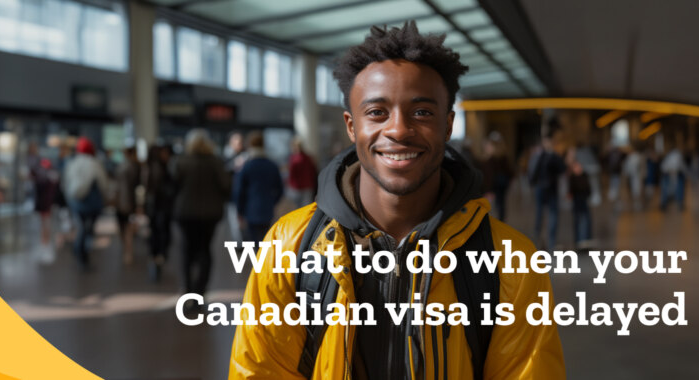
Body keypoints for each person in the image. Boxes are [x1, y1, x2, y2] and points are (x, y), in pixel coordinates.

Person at [229, 23, 564, 380]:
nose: (399, 130)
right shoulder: (289, 246)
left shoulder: (511, 262)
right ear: (351, 126)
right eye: (377, 112)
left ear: (448, 126)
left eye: (422, 112)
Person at [172, 129, 230, 305]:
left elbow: (173, 185)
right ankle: (199, 291)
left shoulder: (182, 161)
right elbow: (226, 186)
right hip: (210, 214)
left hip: (186, 213)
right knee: (204, 251)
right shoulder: (216, 162)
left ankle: (188, 291)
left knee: (186, 252)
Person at [63, 137, 109, 271]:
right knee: (87, 229)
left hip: (75, 202)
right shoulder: (94, 163)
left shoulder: (71, 163)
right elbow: (103, 183)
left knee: (81, 228)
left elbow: (65, 183)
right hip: (91, 203)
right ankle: (82, 252)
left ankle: (80, 249)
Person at [233, 131, 284, 242]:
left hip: (250, 209)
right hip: (267, 208)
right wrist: (272, 201)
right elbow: (280, 189)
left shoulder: (246, 166)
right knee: (266, 239)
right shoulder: (272, 166)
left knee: (254, 240)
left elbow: (239, 191)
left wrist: (239, 210)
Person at [527, 125, 565, 250]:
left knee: (552, 215)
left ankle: (551, 242)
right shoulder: (539, 155)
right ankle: (538, 240)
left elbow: (562, 169)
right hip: (541, 188)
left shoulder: (553, 156)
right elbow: (533, 170)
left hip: (551, 188)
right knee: (540, 215)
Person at [143, 144, 176, 282]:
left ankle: (156, 257)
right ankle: (158, 257)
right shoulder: (160, 169)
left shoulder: (150, 168)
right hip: (161, 208)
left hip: (155, 208)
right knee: (161, 234)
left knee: (156, 233)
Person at [114, 146, 142, 265]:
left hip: (122, 200)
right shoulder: (135, 166)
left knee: (124, 226)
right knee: (127, 226)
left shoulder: (123, 166)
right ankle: (127, 250)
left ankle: (127, 249)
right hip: (129, 200)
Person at [27, 142, 58, 248]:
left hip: (44, 190)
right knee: (43, 215)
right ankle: (43, 235)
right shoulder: (35, 161)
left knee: (45, 214)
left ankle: (45, 235)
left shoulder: (40, 162)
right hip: (40, 190)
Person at [481, 132, 514, 221]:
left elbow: (489, 176)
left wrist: (488, 189)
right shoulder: (503, 156)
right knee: (500, 204)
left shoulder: (491, 159)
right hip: (501, 185)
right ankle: (500, 221)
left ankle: (498, 223)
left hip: (495, 186)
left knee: (496, 206)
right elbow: (510, 172)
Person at [567, 151, 593, 248]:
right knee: (578, 220)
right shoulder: (572, 177)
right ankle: (578, 241)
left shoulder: (584, 175)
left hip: (583, 199)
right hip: (577, 200)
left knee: (586, 220)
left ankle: (586, 240)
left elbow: (588, 188)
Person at [286, 137, 319, 208]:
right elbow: (313, 172)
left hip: (297, 187)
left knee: (297, 209)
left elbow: (292, 174)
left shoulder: (294, 159)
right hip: (308, 186)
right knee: (306, 208)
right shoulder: (308, 157)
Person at [660, 143, 686, 211]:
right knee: (669, 190)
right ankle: (666, 203)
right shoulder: (675, 154)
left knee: (674, 190)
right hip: (669, 174)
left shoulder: (674, 154)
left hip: (673, 174)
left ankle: (668, 203)